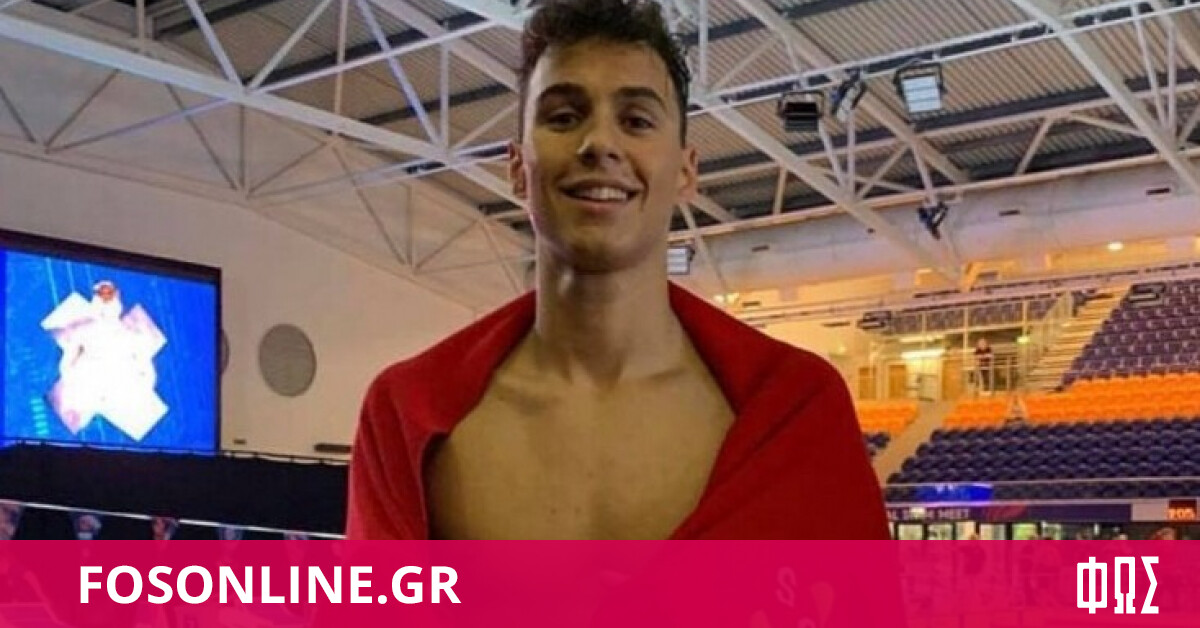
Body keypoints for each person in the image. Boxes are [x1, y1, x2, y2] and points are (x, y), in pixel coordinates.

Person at [345, 0, 888, 540]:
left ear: (685, 171)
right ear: (517, 167)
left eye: (636, 121)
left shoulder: (798, 411)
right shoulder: (406, 415)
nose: (600, 143)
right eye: (563, 117)